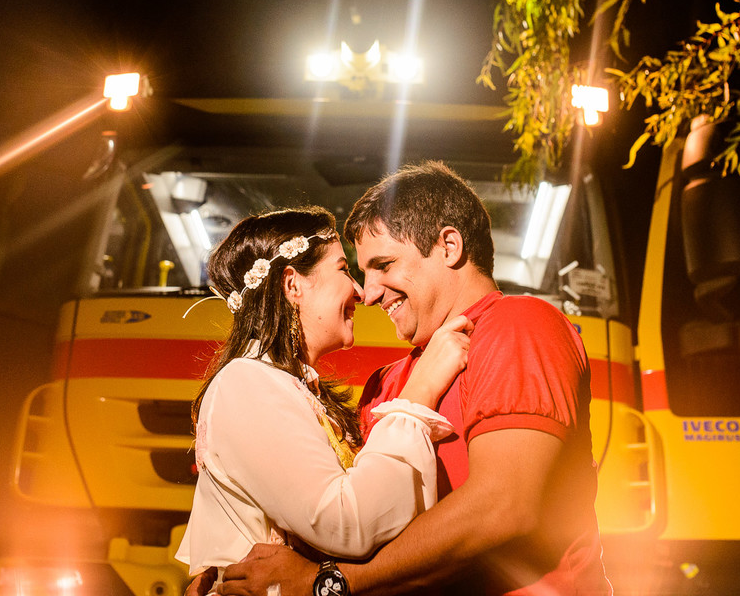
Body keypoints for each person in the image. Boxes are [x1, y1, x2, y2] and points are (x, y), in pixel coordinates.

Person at [214, 162, 612, 596]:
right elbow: (356, 525)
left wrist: (331, 583)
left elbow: (503, 507)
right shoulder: (384, 384)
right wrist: (228, 571)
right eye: (359, 271)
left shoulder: (518, 324)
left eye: (383, 264)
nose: (367, 293)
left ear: (449, 245)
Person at [175, 206, 472, 588]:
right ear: (292, 284)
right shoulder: (244, 381)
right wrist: (418, 394)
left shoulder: (289, 387)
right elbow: (347, 524)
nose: (362, 293)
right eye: (344, 270)